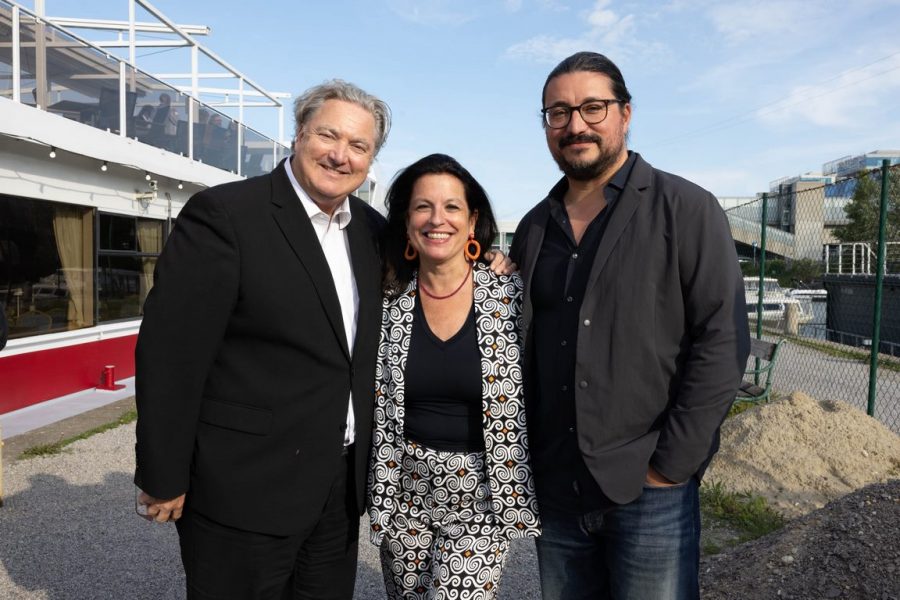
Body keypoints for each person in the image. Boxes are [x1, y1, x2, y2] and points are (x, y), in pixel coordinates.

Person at [134, 79, 392, 600]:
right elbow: (171, 355)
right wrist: (163, 473)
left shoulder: (372, 230)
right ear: (299, 135)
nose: (340, 155)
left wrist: (492, 260)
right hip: (243, 487)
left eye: (358, 145)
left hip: (338, 490)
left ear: (370, 160)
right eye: (328, 135)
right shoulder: (226, 215)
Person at [509, 51, 751, 599]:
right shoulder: (534, 227)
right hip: (557, 487)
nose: (575, 125)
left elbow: (721, 341)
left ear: (625, 113)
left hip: (648, 487)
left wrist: (670, 466)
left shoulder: (685, 209)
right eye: (558, 112)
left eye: (592, 108)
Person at [368, 153, 540, 599]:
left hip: (482, 498)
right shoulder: (387, 298)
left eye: (451, 207)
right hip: (404, 492)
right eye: (423, 207)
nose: (436, 219)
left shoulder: (510, 294)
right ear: (407, 222)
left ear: (472, 220)